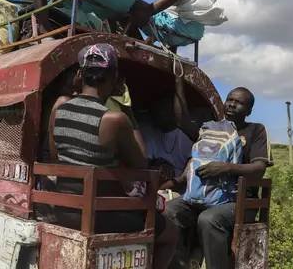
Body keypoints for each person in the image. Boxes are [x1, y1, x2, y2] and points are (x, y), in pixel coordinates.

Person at [48, 43, 177, 269]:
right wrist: (127, 108)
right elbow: (142, 164)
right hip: (104, 215)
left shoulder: (59, 106)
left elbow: (55, 153)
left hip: (63, 210)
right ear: (115, 78)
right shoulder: (114, 119)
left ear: (80, 74)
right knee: (170, 233)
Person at [161, 87, 274, 269]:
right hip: (202, 197)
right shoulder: (210, 128)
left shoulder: (255, 130)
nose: (231, 104)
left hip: (239, 201)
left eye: (239, 102)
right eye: (229, 99)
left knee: (209, 219)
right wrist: (178, 82)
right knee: (171, 211)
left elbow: (259, 169)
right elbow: (181, 120)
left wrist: (226, 168)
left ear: (249, 111)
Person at [137, 76, 200, 184]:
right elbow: (146, 163)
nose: (157, 113)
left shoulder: (185, 136)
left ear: (172, 112)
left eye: (162, 110)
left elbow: (191, 169)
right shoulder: (152, 134)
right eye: (156, 110)